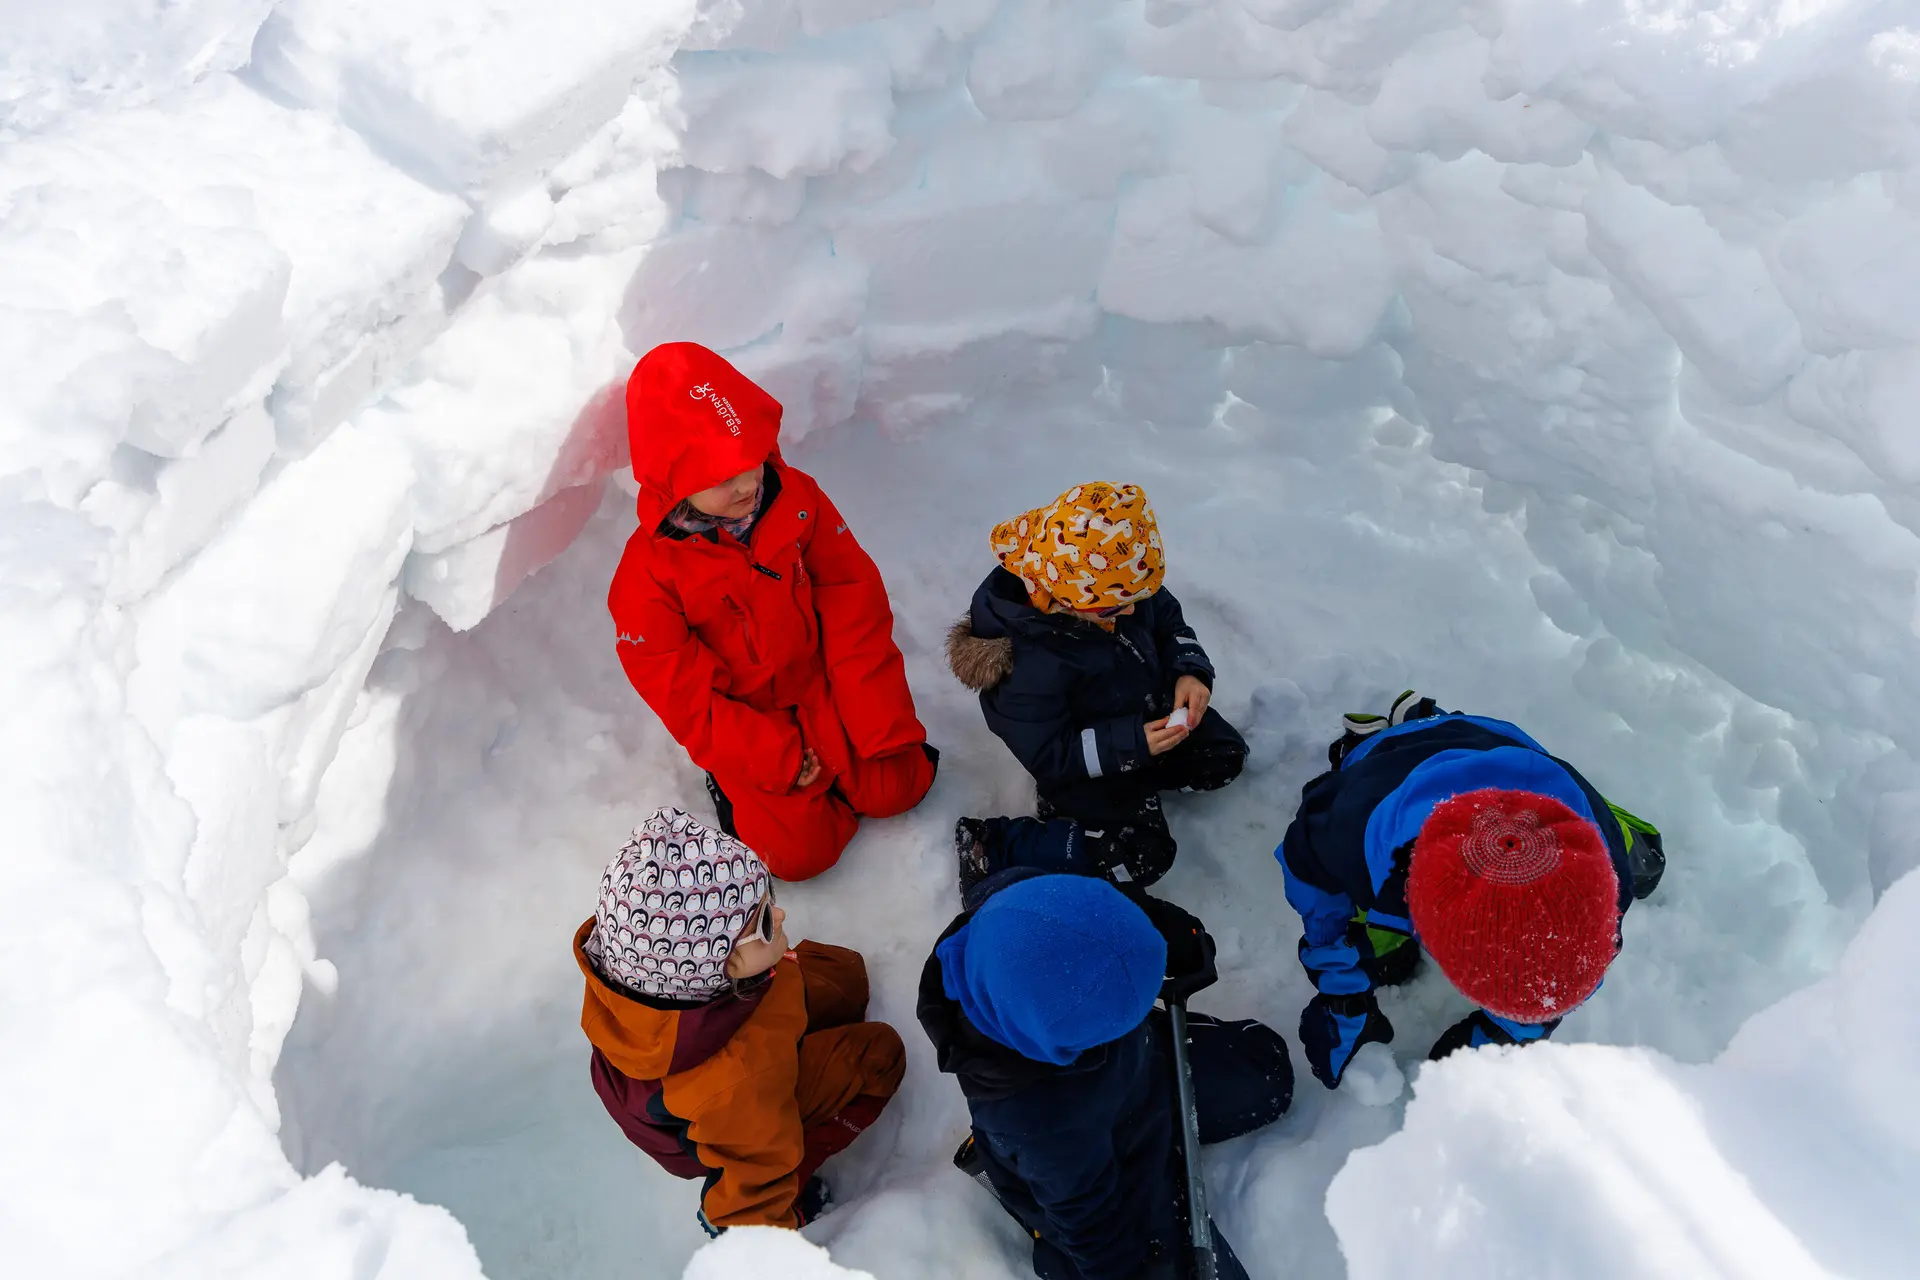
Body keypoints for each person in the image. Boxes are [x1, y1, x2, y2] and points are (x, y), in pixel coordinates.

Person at [610, 342, 937, 881]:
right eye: (720, 479)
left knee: (903, 783)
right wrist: (772, 757)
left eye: (752, 461)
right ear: (672, 482)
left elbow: (852, 595)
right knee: (802, 857)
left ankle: (847, 768)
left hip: (819, 685)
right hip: (752, 719)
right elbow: (682, 695)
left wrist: (872, 706)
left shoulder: (797, 499)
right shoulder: (647, 576)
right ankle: (743, 792)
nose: (746, 485)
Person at [1276, 693, 1667, 1089]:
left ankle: (1424, 721)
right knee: (1380, 950)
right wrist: (1344, 995)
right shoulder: (1351, 835)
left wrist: (1515, 1030)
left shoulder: (1602, 870)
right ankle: (1387, 734)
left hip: (1517, 754)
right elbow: (1310, 880)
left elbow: (1571, 960)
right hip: (1388, 768)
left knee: (1643, 864)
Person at [919, 869, 1292, 1280]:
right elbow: (1089, 1225)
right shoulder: (1038, 1118)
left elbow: (1085, 902)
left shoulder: (1013, 912)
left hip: (1142, 1072)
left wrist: (1153, 931)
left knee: (1268, 1073)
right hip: (1108, 1163)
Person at [575, 808, 906, 1234]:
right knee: (879, 1056)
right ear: (723, 967)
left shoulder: (645, 972)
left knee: (841, 973)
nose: (781, 916)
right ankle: (791, 1178)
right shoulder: (737, 1082)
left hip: (725, 1031)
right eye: (765, 922)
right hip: (721, 1122)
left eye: (769, 897)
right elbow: (753, 1168)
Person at [947, 482, 1246, 887]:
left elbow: (1167, 621)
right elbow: (1050, 753)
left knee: (1224, 755)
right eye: (1120, 604)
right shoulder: (1028, 663)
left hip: (1142, 715)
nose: (1135, 608)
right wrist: (1131, 746)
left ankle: (1136, 788)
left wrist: (1188, 669)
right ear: (1069, 598)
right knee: (1141, 857)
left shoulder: (1121, 584)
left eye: (1144, 594)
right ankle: (999, 846)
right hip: (1084, 762)